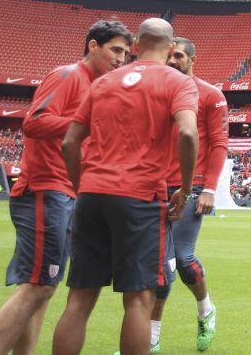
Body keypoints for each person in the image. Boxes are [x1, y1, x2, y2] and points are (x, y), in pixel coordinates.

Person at [52, 18, 199, 355]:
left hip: (91, 195)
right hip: (139, 197)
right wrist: (186, 188)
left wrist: (81, 186)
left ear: (135, 46)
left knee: (79, 299)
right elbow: (189, 133)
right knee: (139, 301)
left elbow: (69, 142)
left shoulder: (103, 82)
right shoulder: (177, 82)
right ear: (171, 47)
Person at [0, 20, 132, 355]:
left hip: (64, 192)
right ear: (92, 46)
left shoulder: (98, 87)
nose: (121, 58)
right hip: (45, 188)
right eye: (116, 49)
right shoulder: (68, 75)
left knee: (44, 286)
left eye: (126, 53)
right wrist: (87, 126)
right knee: (40, 286)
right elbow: (34, 121)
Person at [149, 36, 228, 353]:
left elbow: (219, 143)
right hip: (154, 187)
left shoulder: (210, 95)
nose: (172, 61)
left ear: (192, 59)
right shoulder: (156, 94)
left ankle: (205, 309)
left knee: (181, 259)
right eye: (168, 55)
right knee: (159, 265)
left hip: (191, 188)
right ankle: (151, 338)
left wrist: (209, 189)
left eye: (179, 55)